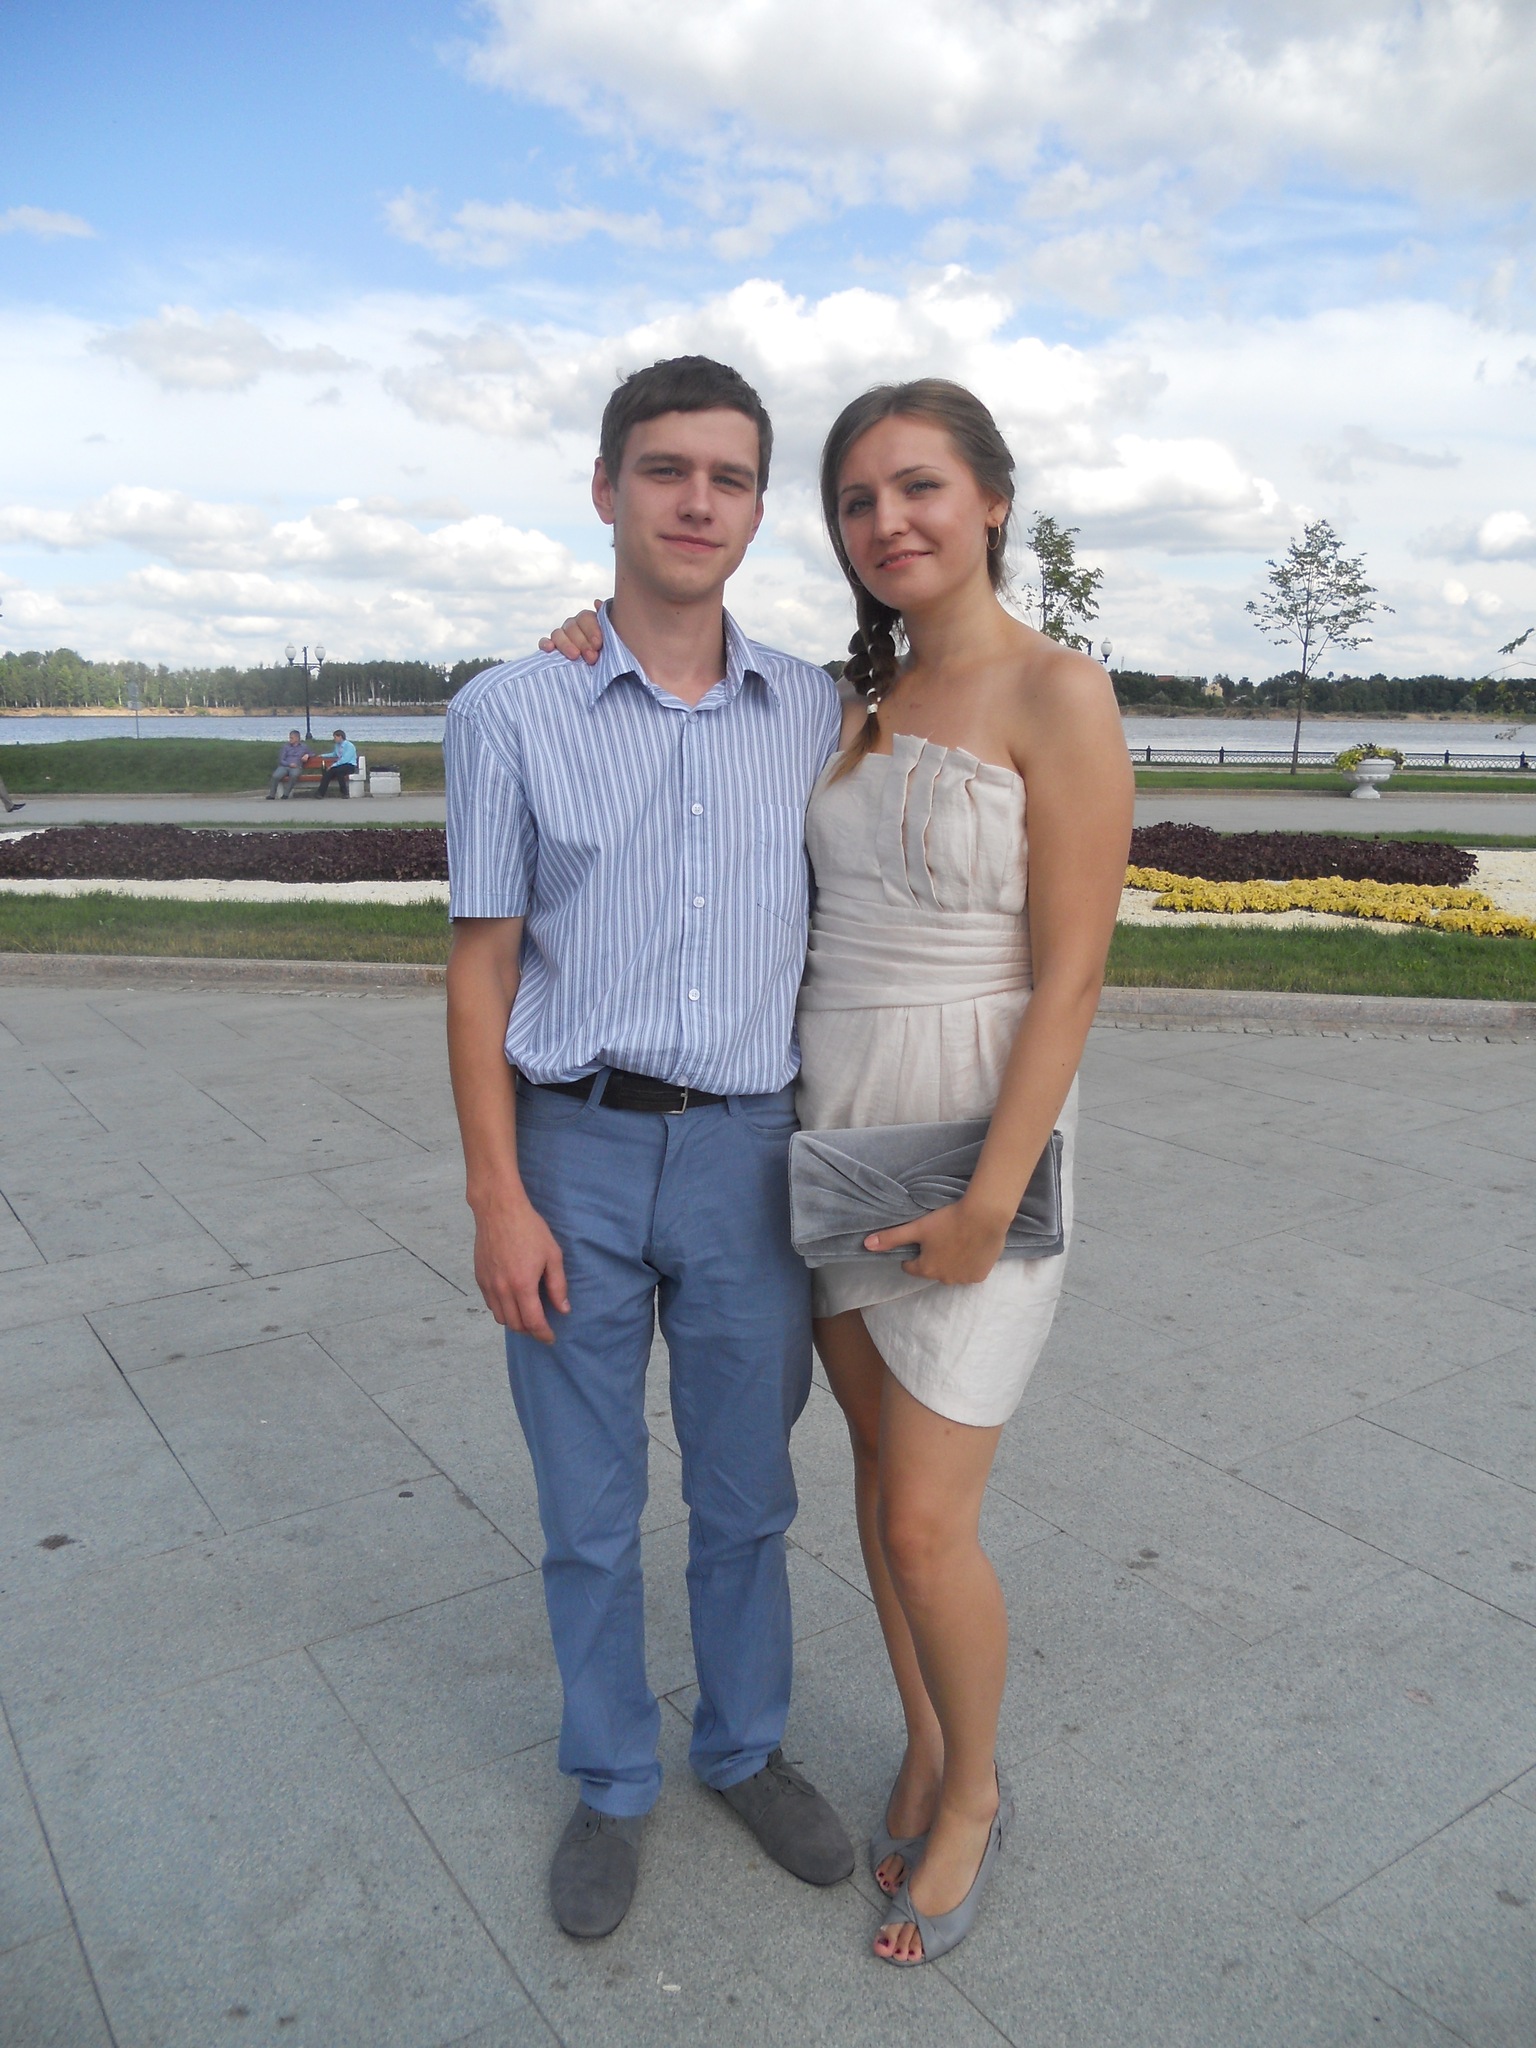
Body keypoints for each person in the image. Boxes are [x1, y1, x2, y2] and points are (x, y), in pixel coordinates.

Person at [544, 378, 1131, 1968]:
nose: (889, 521)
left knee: (931, 1520)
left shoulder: (1060, 693)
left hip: (974, 1126)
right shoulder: (838, 702)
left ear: (992, 499)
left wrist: (997, 1195)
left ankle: (976, 1794)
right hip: (832, 1125)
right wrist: (580, 643)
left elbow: (1074, 975)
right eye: (858, 499)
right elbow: (681, 700)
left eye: (920, 486)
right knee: (875, 1479)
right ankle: (929, 1741)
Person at [444, 355, 854, 1946]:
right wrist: (498, 1195)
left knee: (749, 1493)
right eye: (666, 470)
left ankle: (743, 1747)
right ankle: (612, 1775)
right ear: (607, 489)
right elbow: (481, 967)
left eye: (730, 477)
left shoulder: (816, 708)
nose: (698, 501)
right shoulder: (510, 710)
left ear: (758, 508)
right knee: (587, 1504)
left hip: (751, 1153)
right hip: (576, 1152)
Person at [315, 729, 357, 797]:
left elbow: (345, 759)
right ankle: (320, 793)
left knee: (338, 771)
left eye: (335, 737)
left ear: (340, 737)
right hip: (340, 765)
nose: (334, 739)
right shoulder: (337, 745)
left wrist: (333, 765)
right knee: (328, 773)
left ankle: (344, 793)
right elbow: (334, 754)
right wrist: (323, 755)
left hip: (349, 765)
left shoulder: (349, 746)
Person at [267, 730, 306, 799]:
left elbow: (313, 754)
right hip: (285, 766)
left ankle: (286, 794)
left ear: (297, 738)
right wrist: (289, 764)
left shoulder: (304, 747)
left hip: (296, 766)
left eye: (291, 738)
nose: (290, 739)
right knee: (275, 776)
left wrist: (307, 755)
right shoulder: (286, 747)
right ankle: (272, 795)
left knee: (294, 775)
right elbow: (281, 759)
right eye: (290, 738)